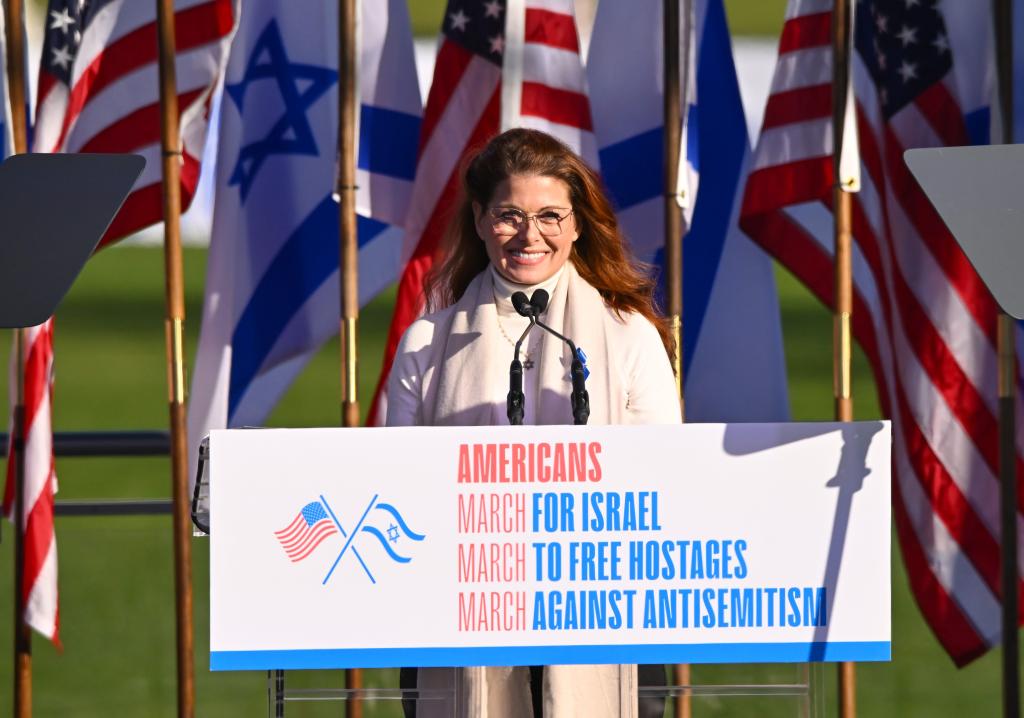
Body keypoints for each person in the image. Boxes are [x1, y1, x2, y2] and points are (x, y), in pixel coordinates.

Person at [388, 128, 681, 717]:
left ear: (577, 225)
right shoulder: (428, 341)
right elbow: (398, 486)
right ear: (479, 219)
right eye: (509, 215)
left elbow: (665, 485)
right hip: (458, 613)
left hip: (604, 613)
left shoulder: (629, 336)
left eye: (550, 215)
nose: (529, 235)